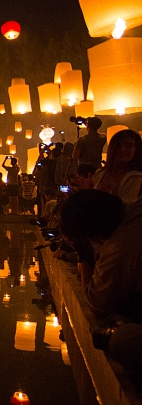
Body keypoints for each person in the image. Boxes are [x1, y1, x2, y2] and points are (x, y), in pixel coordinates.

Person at [59, 189, 142, 321]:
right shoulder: (137, 206)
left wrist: (83, 253)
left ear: (92, 236)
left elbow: (96, 305)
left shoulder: (116, 251)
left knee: (121, 339)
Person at [72, 129, 142, 204]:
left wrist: (93, 193)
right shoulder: (100, 174)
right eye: (118, 145)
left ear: (136, 149)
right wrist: (90, 190)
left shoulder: (135, 178)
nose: (122, 149)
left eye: (129, 146)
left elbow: (123, 209)